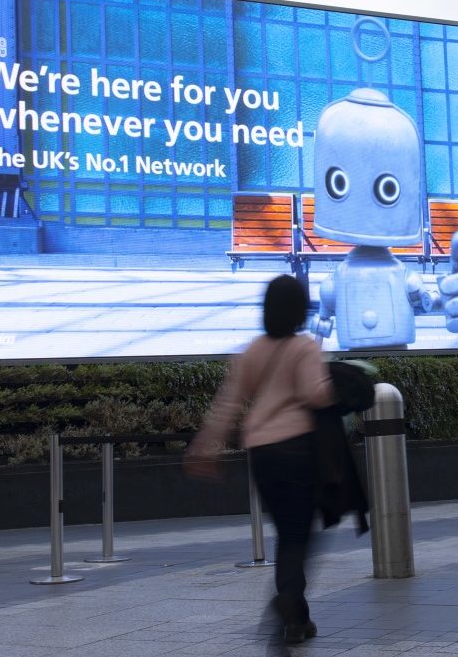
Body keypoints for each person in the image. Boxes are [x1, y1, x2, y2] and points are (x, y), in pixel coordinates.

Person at [185, 275, 334, 645]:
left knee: (287, 533)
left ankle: (298, 619)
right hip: (298, 449)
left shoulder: (252, 351)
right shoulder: (304, 348)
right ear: (301, 310)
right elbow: (314, 396)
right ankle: (285, 603)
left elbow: (228, 403)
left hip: (262, 454)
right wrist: (342, 387)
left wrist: (206, 446)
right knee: (300, 536)